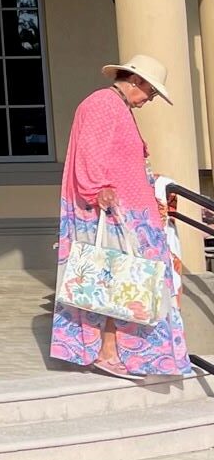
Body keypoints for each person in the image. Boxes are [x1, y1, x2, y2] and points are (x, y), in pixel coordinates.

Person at [50, 53, 192, 379]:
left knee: (127, 284)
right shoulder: (103, 103)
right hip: (115, 212)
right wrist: (97, 189)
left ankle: (123, 352)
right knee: (114, 282)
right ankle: (108, 349)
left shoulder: (118, 107)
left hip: (130, 212)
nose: (150, 99)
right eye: (150, 91)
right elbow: (90, 152)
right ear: (136, 81)